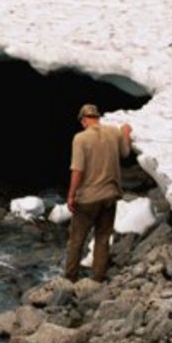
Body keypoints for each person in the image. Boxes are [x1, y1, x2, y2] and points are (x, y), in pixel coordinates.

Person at [64, 103, 132, 282]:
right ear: (97, 117)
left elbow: (77, 170)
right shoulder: (113, 132)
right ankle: (98, 278)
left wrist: (71, 195)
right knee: (102, 237)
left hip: (88, 198)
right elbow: (125, 153)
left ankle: (70, 278)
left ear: (84, 120)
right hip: (110, 195)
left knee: (77, 240)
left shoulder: (80, 138)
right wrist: (125, 133)